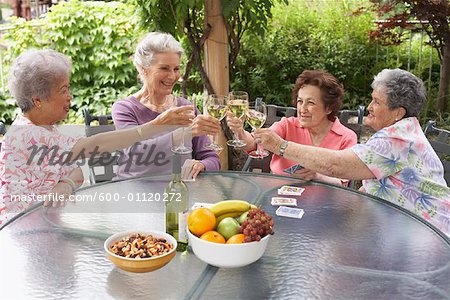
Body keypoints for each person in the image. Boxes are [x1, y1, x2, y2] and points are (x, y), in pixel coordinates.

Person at [0, 49, 207, 227]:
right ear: (38, 100)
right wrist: (156, 126)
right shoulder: (27, 135)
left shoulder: (46, 130)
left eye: (68, 88)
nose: (69, 97)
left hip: (48, 227)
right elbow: (94, 145)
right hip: (22, 236)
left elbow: (78, 171)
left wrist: (66, 183)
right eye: (63, 90)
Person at [255, 68, 450, 236]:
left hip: (429, 235)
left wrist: (281, 146)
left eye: (377, 102)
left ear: (398, 113)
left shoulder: (398, 140)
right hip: (409, 226)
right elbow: (382, 183)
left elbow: (336, 165)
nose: (370, 108)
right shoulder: (401, 132)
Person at [112, 32, 221, 179]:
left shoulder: (186, 107)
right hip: (135, 192)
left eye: (176, 69)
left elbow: (212, 159)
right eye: (164, 68)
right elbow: (136, 154)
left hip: (180, 192)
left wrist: (202, 165)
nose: (172, 76)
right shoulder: (125, 108)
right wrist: (184, 133)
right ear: (143, 69)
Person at [228, 70, 357, 185]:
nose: (302, 109)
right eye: (300, 101)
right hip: (279, 196)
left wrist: (317, 176)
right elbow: (253, 145)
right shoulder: (286, 125)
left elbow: (343, 182)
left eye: (310, 102)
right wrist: (239, 131)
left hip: (324, 204)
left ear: (329, 108)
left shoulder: (346, 137)